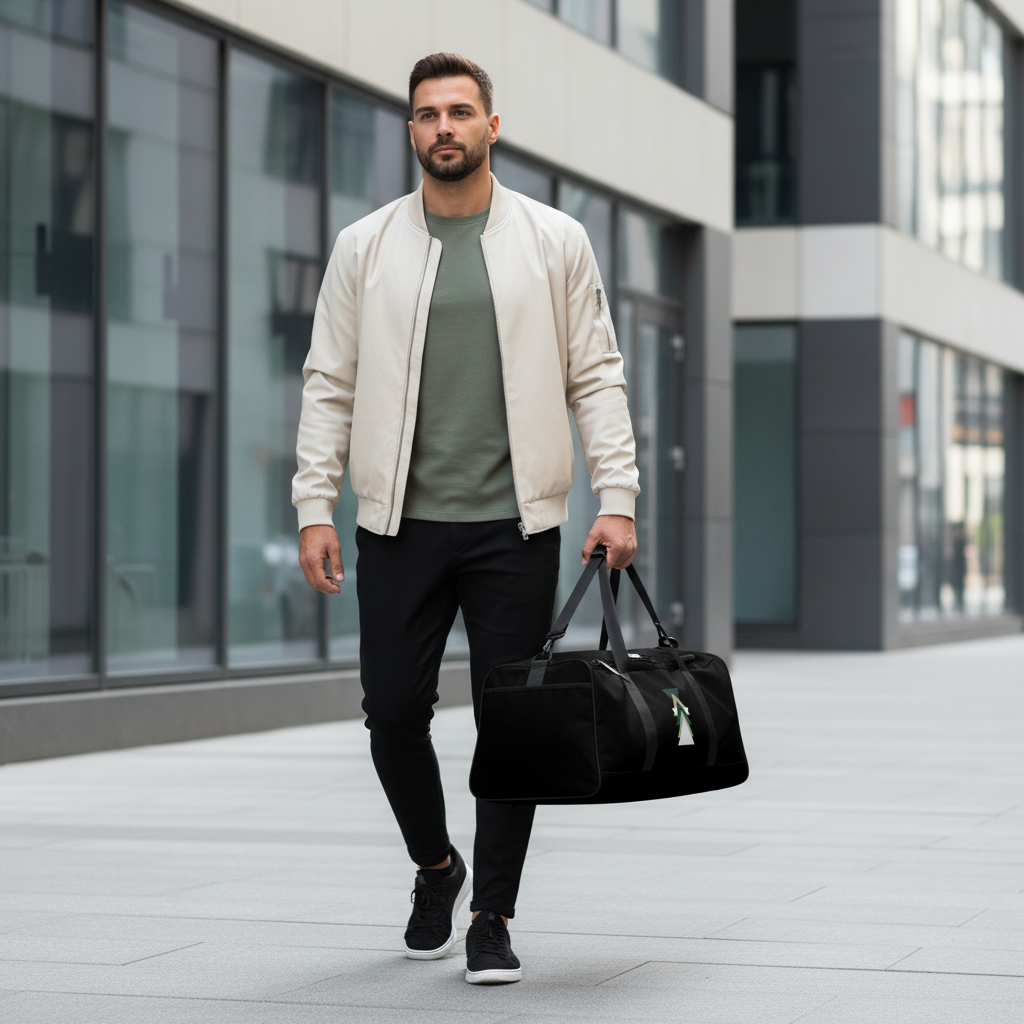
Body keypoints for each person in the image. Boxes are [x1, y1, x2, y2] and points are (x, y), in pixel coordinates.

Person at [293, 52, 639, 985]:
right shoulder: (365, 246)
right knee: (393, 714)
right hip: (396, 524)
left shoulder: (554, 239)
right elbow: (329, 382)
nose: (442, 127)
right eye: (425, 115)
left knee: (512, 724)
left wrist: (618, 498)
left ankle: (493, 913)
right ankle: (435, 868)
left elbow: (595, 374)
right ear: (411, 132)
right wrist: (314, 504)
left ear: (493, 126)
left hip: (513, 529)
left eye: (459, 112)